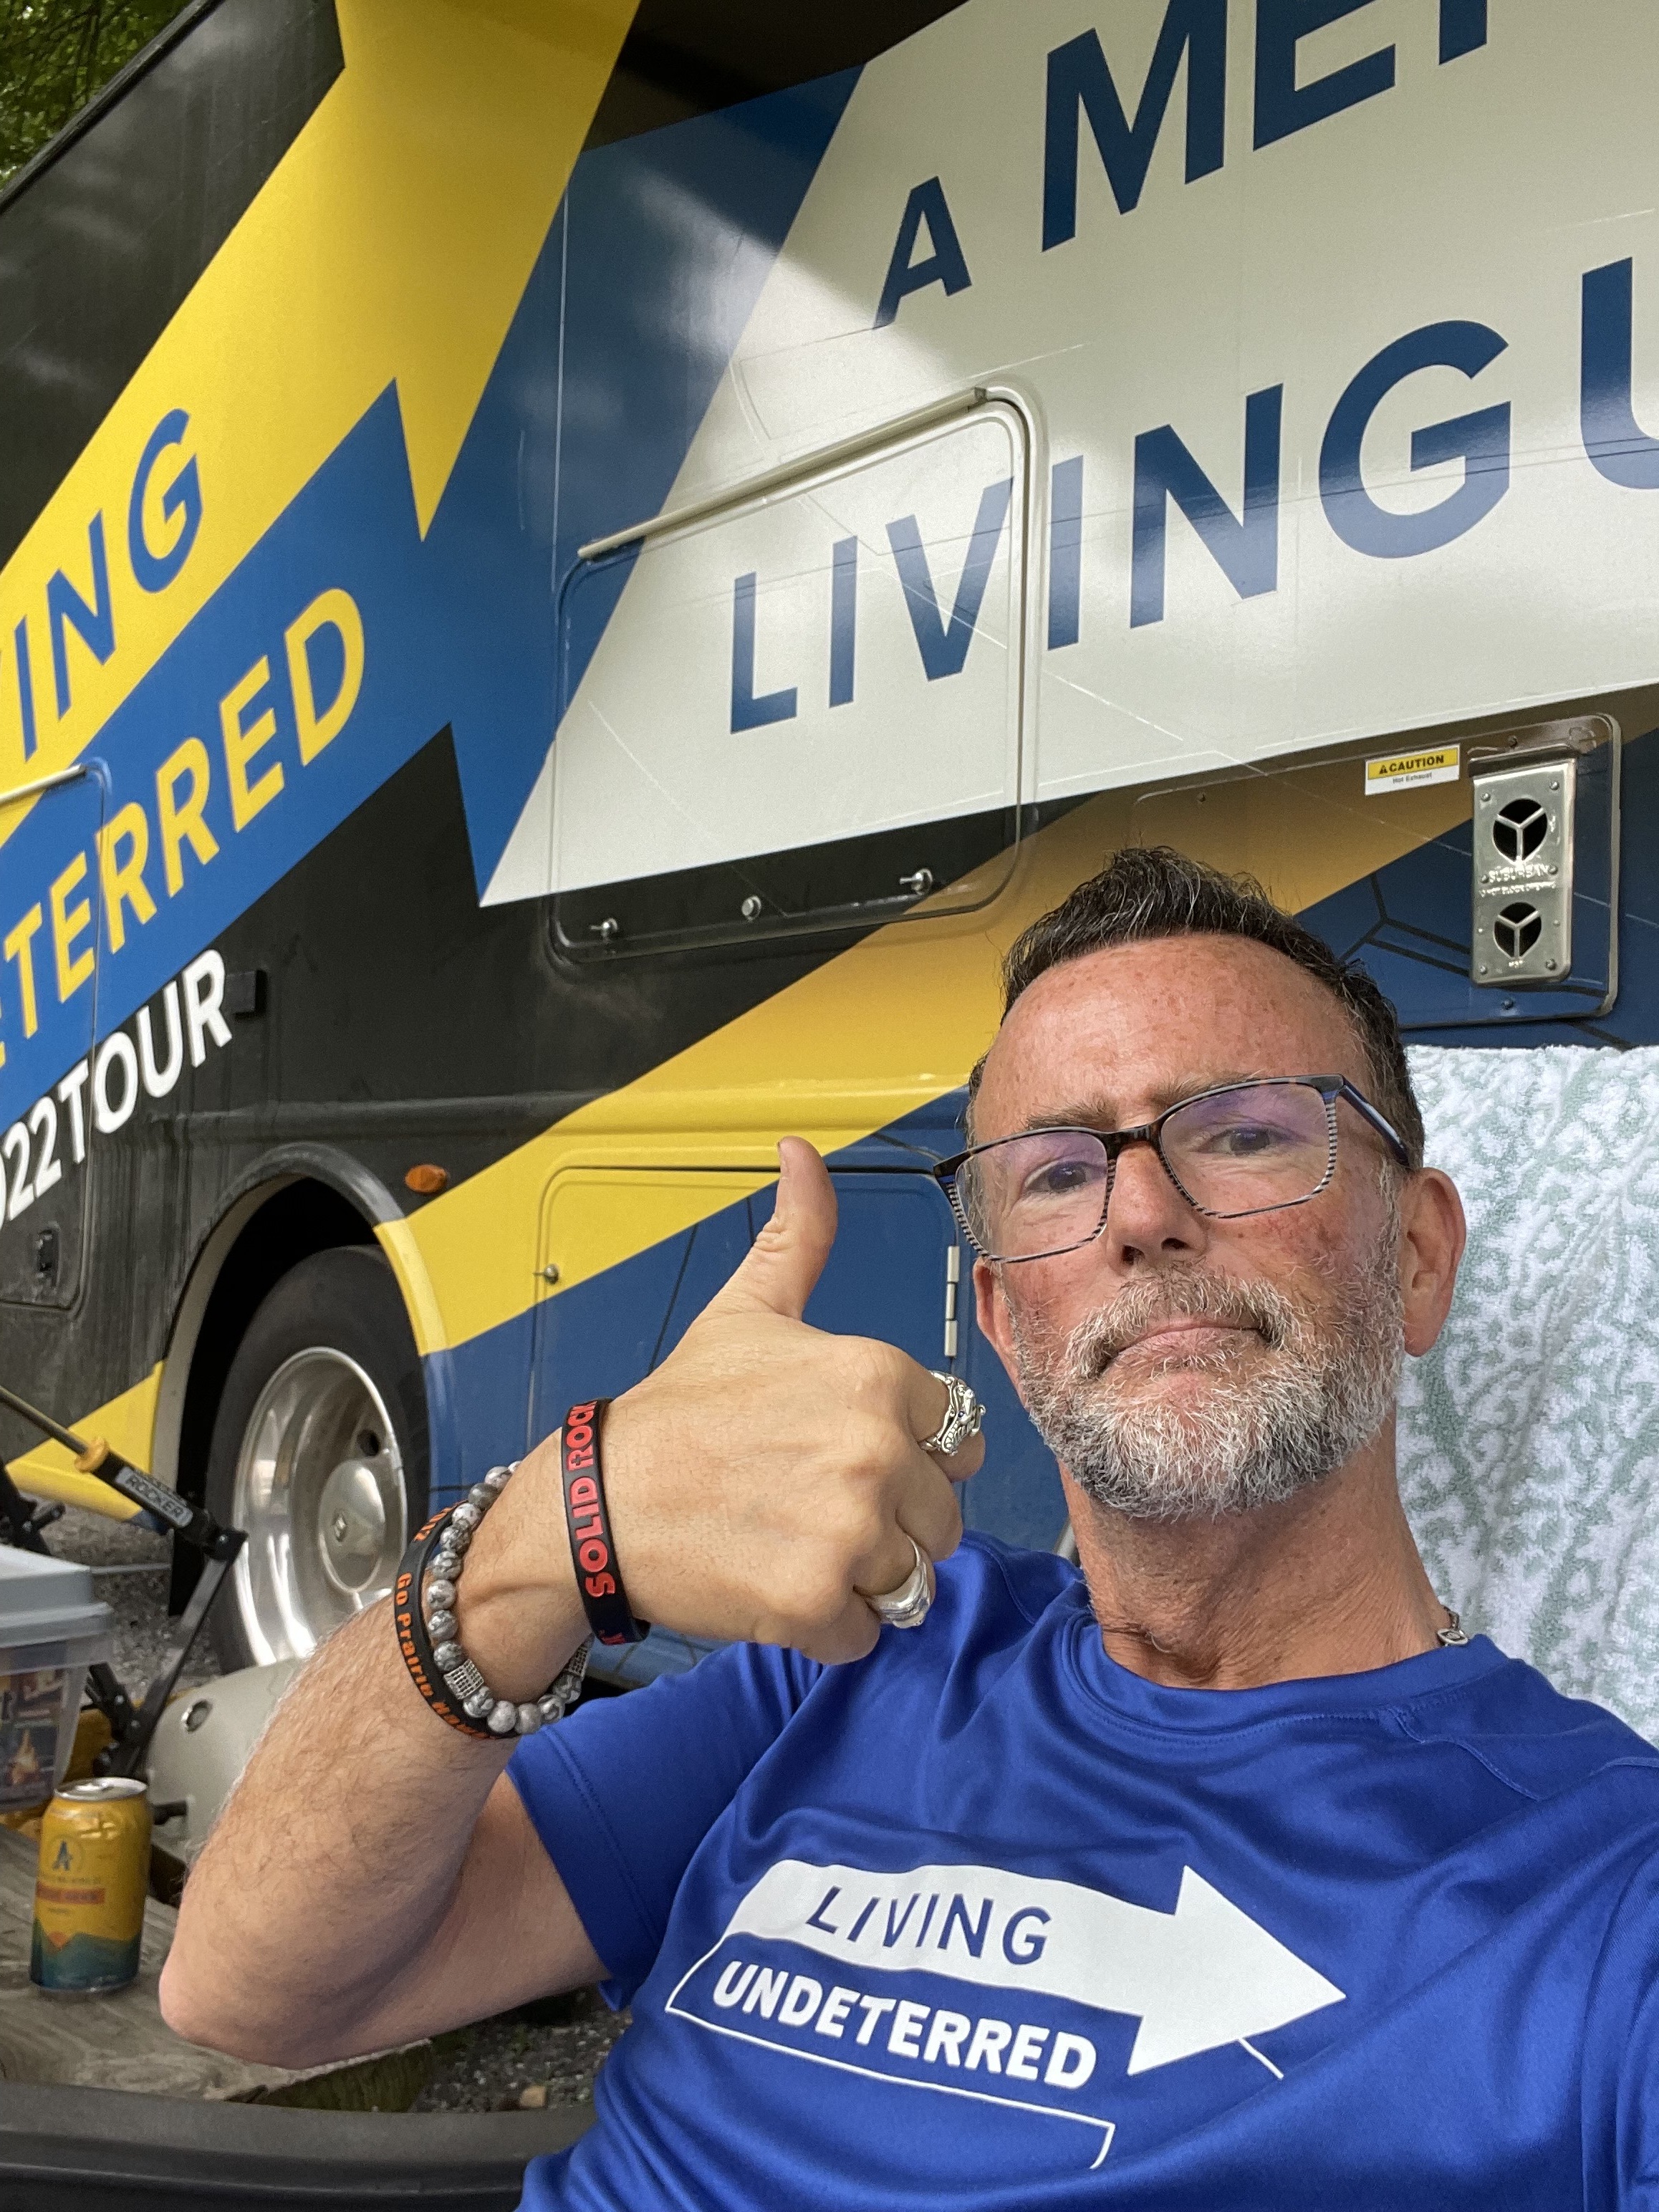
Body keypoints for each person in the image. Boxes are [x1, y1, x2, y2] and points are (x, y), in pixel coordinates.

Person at [162, 847, 1659, 2211]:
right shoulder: (849, 1659)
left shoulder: (1600, 1884)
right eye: (1061, 1171)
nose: (1141, 1210)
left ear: (1415, 1256)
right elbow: (246, 1985)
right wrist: (547, 1532)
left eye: (1247, 1130)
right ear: (1006, 1321)